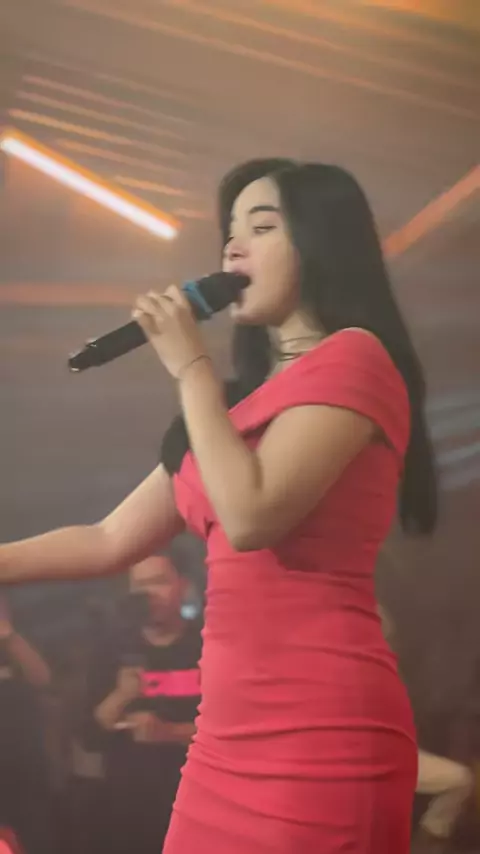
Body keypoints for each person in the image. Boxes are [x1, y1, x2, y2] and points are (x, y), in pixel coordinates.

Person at [0, 159, 438, 852]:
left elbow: (252, 516)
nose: (232, 247)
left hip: (319, 737)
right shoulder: (233, 409)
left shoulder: (355, 358)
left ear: (322, 242)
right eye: (230, 231)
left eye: (261, 227)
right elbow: (109, 539)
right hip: (222, 740)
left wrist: (192, 369)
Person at [87, 555, 201, 854]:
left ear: (183, 586)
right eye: (140, 585)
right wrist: (121, 695)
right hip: (131, 805)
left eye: (159, 582)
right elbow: (88, 732)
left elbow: (236, 730)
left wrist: (170, 732)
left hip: (200, 800)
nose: (149, 593)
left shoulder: (209, 643)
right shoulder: (111, 648)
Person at [378, 605, 474, 851]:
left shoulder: (391, 672)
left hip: (393, 756)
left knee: (460, 779)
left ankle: (428, 841)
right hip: (353, 762)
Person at [0, 596, 53, 854]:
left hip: (27, 766)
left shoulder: (21, 637)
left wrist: (8, 634)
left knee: (32, 837)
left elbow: (42, 678)